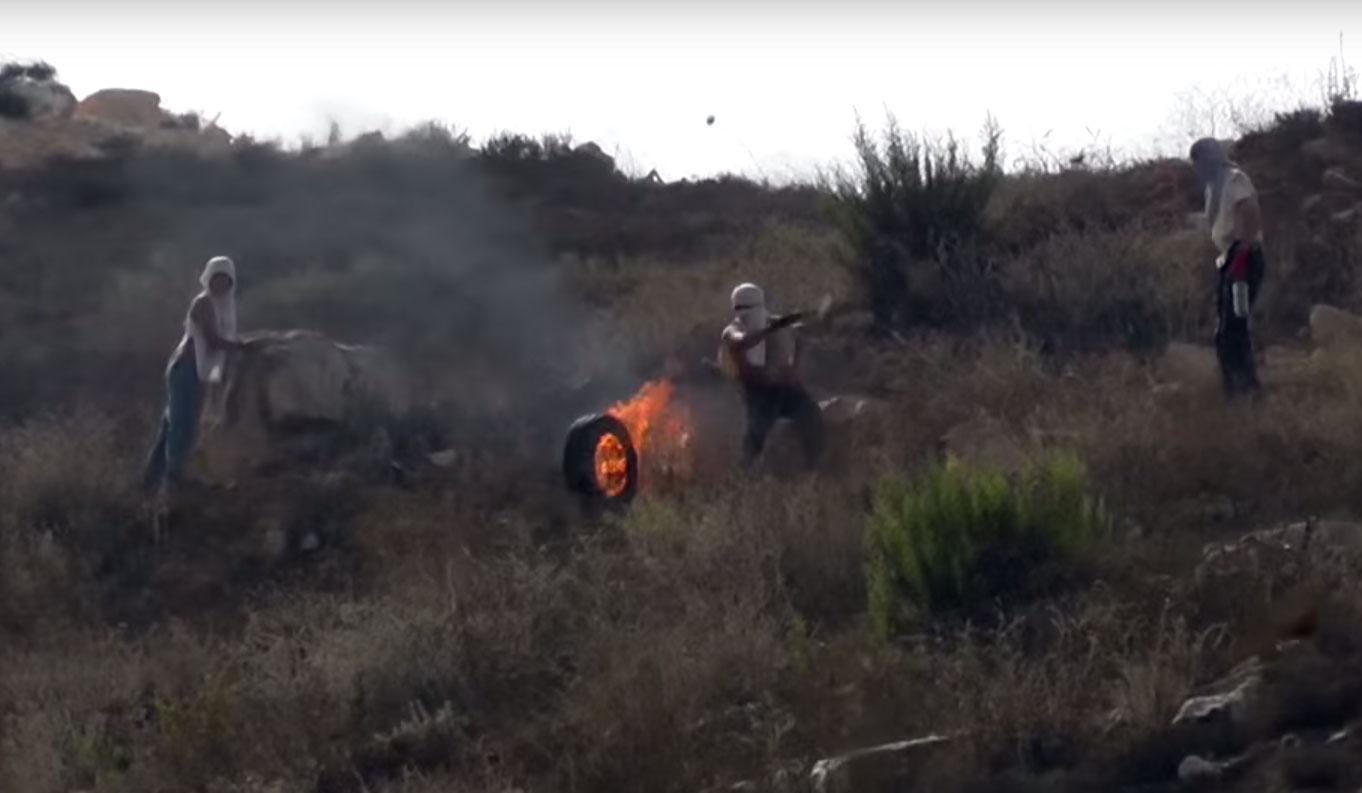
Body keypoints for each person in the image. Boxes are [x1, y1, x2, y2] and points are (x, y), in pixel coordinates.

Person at [142, 255, 246, 496]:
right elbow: (212, 339)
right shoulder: (203, 303)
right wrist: (240, 347)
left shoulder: (224, 308)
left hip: (199, 373)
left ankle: (149, 483)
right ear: (208, 279)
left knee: (171, 428)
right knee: (183, 426)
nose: (221, 284)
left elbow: (222, 343)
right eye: (216, 278)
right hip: (185, 370)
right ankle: (173, 483)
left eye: (225, 280)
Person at [1190, 137, 1266, 399]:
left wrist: (1241, 257)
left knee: (1233, 327)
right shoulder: (1213, 187)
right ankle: (1236, 390)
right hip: (1229, 257)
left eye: (1201, 159)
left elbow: (1251, 213)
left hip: (1243, 256)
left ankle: (1246, 390)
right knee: (1226, 328)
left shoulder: (1234, 178)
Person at [720, 282, 825, 468]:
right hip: (758, 393)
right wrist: (768, 330)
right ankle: (743, 476)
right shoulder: (732, 330)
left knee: (812, 419)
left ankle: (815, 468)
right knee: (756, 437)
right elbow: (741, 341)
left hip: (786, 388)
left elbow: (800, 339)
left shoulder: (774, 323)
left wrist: (795, 365)